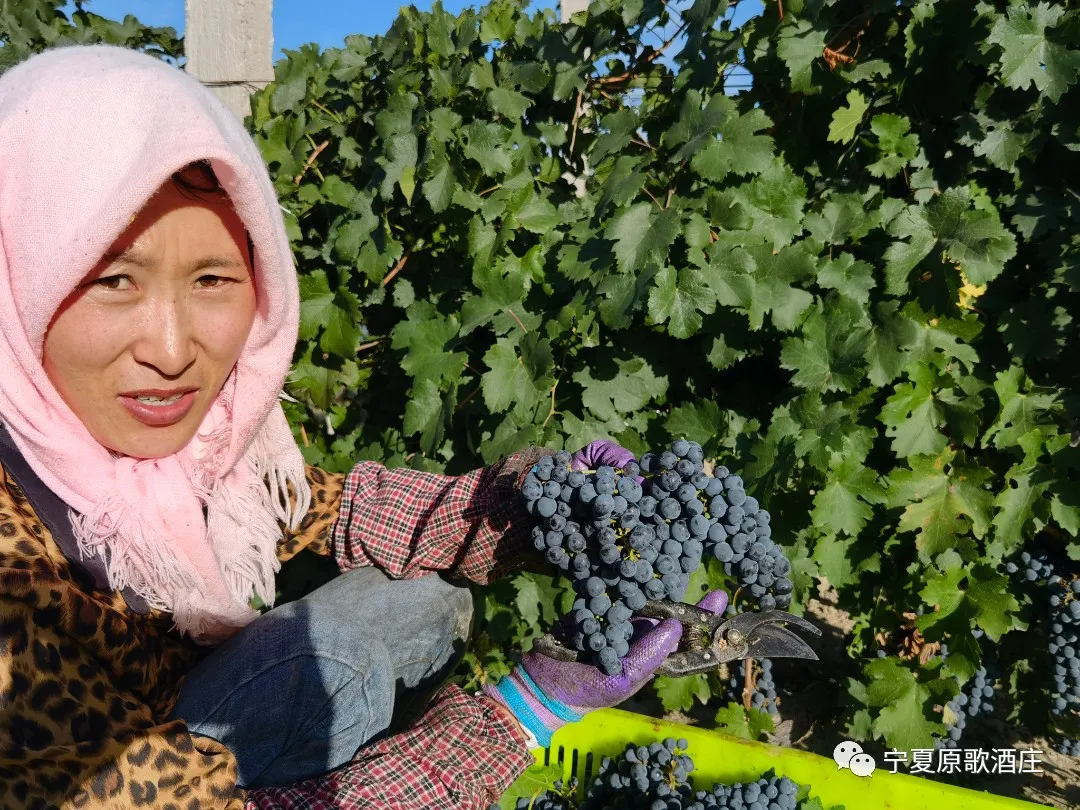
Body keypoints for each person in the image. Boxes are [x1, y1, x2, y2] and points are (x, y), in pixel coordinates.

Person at [0, 45, 726, 809]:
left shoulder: (198, 447)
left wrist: (534, 507)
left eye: (212, 278)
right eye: (114, 280)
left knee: (424, 602)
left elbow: (333, 508)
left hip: (169, 724)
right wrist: (522, 717)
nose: (174, 350)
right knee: (338, 665)